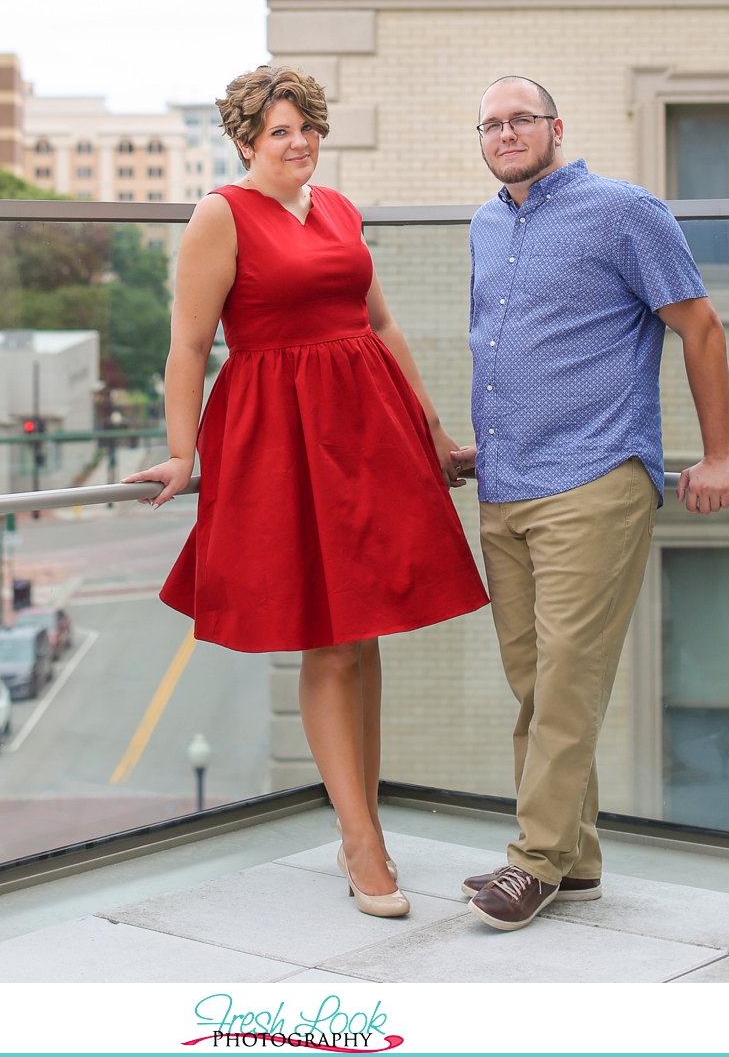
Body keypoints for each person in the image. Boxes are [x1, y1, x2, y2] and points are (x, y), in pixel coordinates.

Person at [126, 64, 488, 919]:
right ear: (248, 141)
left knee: (364, 637)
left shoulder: (338, 209)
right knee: (329, 638)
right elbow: (188, 346)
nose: (299, 143)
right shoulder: (221, 215)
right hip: (281, 434)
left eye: (308, 128)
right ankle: (363, 841)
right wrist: (182, 455)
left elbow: (382, 323)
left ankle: (361, 826)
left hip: (368, 428)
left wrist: (431, 429)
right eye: (281, 131)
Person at [453, 75, 729, 933]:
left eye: (521, 120)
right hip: (504, 485)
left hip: (595, 479)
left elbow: (701, 327)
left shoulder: (624, 211)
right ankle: (575, 864)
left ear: (555, 127)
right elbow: (509, 349)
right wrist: (483, 447)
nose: (507, 134)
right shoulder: (485, 223)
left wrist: (717, 453)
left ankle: (530, 863)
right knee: (537, 686)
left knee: (569, 681)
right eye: (492, 124)